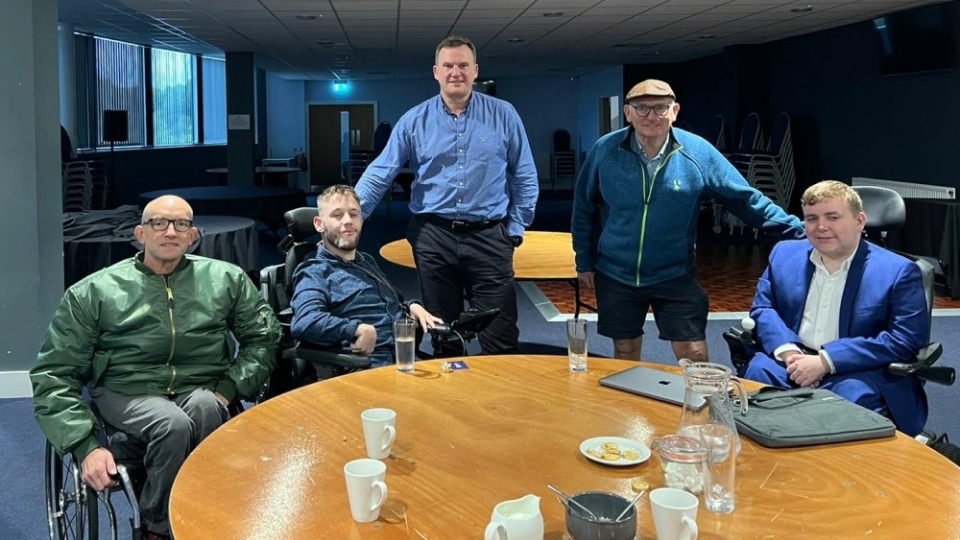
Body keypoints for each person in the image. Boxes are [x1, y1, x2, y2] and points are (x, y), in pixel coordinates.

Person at [31, 195, 281, 540]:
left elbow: (263, 339)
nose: (170, 231)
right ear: (140, 233)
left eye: (181, 224)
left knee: (208, 407)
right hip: (125, 389)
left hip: (201, 386)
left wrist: (229, 388)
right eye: (158, 223)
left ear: (193, 235)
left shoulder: (226, 279)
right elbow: (54, 374)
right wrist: (84, 446)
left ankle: (208, 514)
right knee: (172, 423)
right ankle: (158, 527)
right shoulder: (94, 291)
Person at [571, 79, 804, 362]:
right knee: (624, 350)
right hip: (616, 273)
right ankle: (628, 407)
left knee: (692, 352)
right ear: (628, 112)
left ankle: (698, 405)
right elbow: (583, 207)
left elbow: (745, 200)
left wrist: (801, 230)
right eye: (642, 108)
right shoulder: (605, 151)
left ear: (675, 110)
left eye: (660, 108)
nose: (651, 116)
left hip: (674, 273)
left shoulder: (697, 152)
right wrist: (583, 261)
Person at [353, 35, 539, 355]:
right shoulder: (414, 120)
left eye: (463, 65)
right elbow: (382, 170)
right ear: (435, 72)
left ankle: (501, 401)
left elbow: (525, 175)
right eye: (449, 65)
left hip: (489, 237)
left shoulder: (504, 114)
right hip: (433, 236)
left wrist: (516, 227)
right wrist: (351, 215)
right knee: (443, 331)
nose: (456, 72)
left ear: (475, 70)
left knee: (501, 332)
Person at [743, 180, 929, 436]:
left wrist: (825, 361)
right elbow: (764, 308)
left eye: (833, 217)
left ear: (859, 221)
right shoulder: (784, 254)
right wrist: (789, 353)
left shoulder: (897, 271)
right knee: (751, 386)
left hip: (855, 369)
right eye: (811, 219)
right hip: (790, 361)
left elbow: (904, 338)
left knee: (837, 415)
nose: (821, 227)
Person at [291, 185, 442, 367]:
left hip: (404, 358)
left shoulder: (365, 261)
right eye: (337, 215)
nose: (348, 221)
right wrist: (354, 329)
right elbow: (305, 321)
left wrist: (411, 307)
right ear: (319, 224)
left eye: (354, 214)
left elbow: (388, 302)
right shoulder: (315, 270)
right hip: (367, 367)